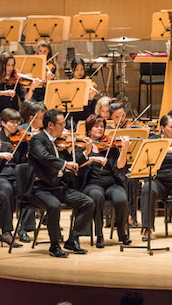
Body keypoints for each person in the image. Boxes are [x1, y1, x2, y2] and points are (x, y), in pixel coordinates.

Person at [28, 109, 95, 257]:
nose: (65, 127)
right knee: (54, 205)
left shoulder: (58, 143)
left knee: (88, 202)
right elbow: (44, 156)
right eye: (62, 123)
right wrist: (65, 164)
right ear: (50, 125)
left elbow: (73, 160)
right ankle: (54, 245)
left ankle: (72, 239)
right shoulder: (37, 140)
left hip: (58, 188)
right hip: (39, 189)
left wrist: (86, 153)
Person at [80, 114, 131, 248]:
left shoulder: (110, 145)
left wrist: (124, 150)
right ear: (89, 129)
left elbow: (120, 167)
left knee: (121, 198)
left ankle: (121, 232)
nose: (99, 129)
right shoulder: (83, 145)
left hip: (111, 183)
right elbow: (78, 167)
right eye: (96, 126)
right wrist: (88, 152)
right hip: (92, 184)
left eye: (102, 126)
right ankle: (99, 234)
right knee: (97, 197)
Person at [17, 100, 46, 242]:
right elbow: (18, 156)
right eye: (42, 118)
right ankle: (24, 229)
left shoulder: (46, 132)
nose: (45, 121)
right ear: (32, 118)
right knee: (29, 190)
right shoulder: (21, 130)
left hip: (43, 171)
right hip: (26, 171)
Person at [0, 109, 26, 248]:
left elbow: (22, 161)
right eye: (12, 122)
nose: (16, 126)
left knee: (30, 191)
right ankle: (6, 232)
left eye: (18, 123)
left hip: (16, 175)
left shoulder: (20, 139)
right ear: (3, 123)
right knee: (5, 191)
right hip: (2, 175)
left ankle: (24, 229)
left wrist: (26, 148)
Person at [69, 58, 97, 123]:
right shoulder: (70, 83)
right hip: (74, 112)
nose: (79, 72)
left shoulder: (87, 82)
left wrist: (90, 98)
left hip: (86, 110)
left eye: (82, 69)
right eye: (77, 70)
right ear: (72, 70)